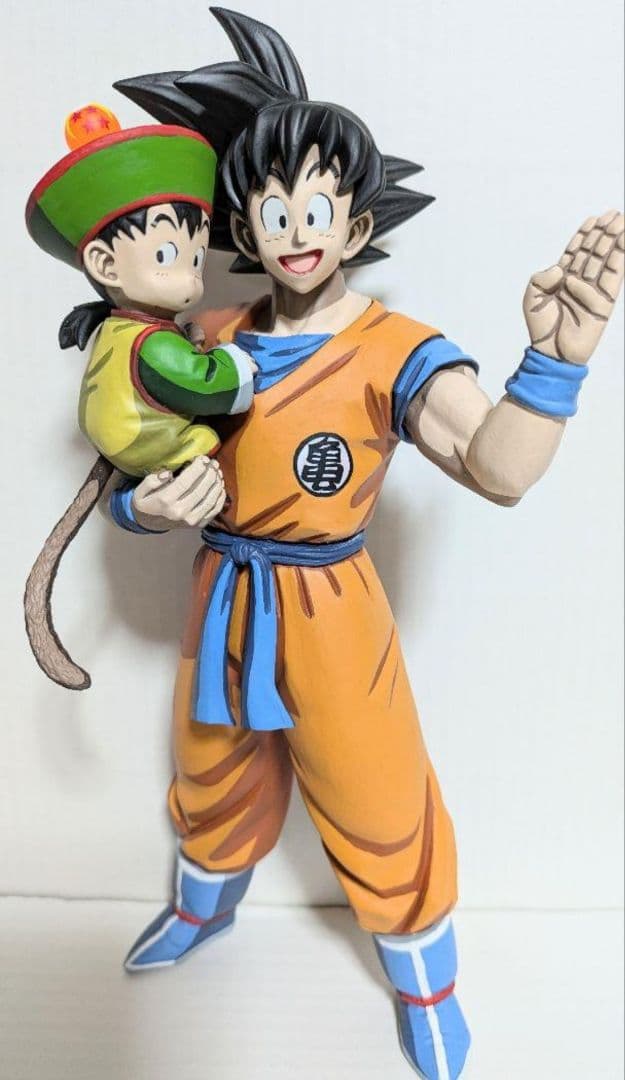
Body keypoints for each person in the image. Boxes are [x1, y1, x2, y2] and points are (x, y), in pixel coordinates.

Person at [107, 9, 624, 1078]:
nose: (296, 228)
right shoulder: (204, 340)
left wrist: (554, 364)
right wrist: (142, 511)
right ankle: (203, 910)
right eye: (272, 207)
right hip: (223, 595)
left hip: (332, 612)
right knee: (209, 774)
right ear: (244, 227)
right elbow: (128, 471)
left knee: (378, 796)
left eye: (318, 205)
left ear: (354, 221)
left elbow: (498, 469)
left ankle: (426, 985)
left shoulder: (395, 351)